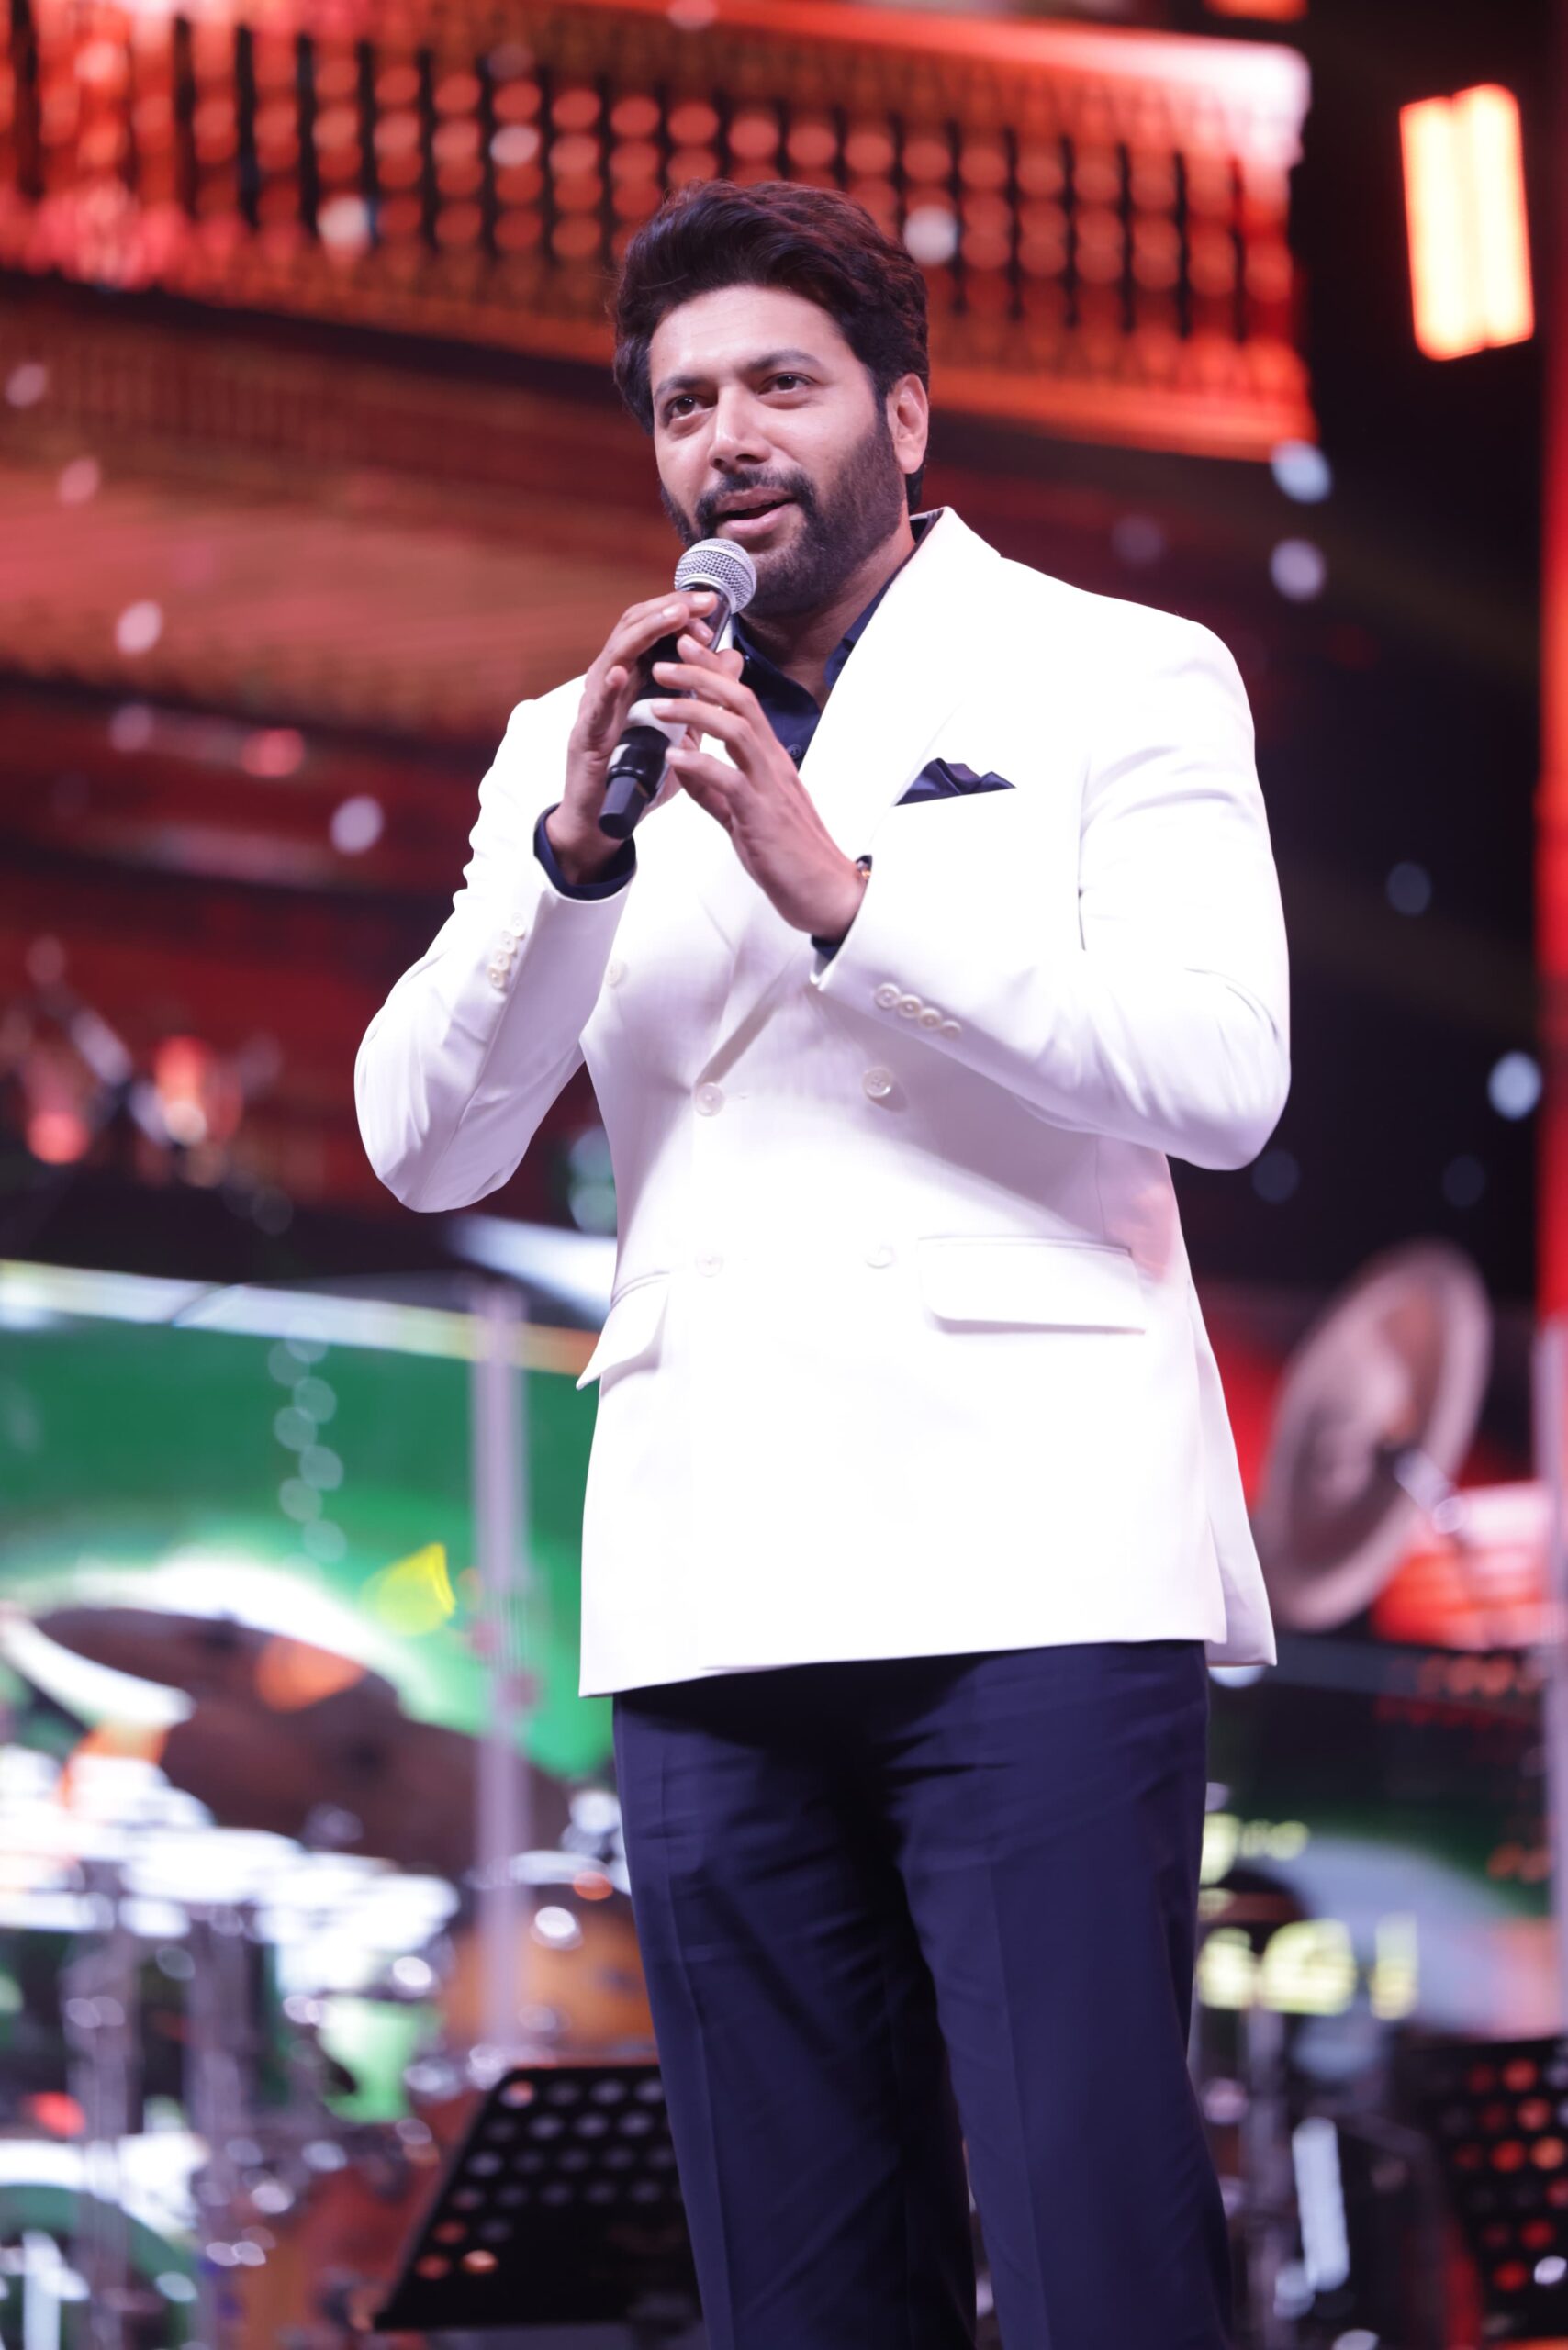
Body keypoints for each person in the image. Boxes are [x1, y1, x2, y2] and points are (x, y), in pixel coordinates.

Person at [356, 178, 1289, 2350]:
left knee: (1089, 2245)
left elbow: (1219, 1075)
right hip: (712, 1579)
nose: (728, 438)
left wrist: (847, 893)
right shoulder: (570, 739)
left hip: (1031, 1556)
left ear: (903, 414)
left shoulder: (1113, 669)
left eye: (779, 383)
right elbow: (424, 1140)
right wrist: (568, 863)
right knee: (791, 2278)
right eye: (684, 403)